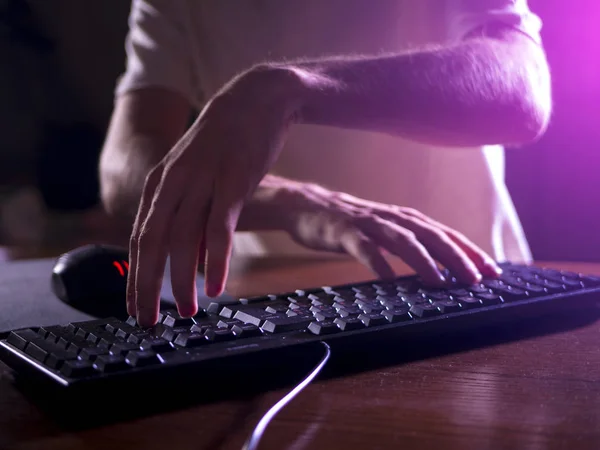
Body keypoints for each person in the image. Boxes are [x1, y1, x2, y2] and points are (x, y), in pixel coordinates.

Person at [99, 0, 552, 327]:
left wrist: (292, 89)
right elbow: (124, 167)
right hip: (270, 313)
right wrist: (299, 202)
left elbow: (522, 89)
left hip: (469, 292)